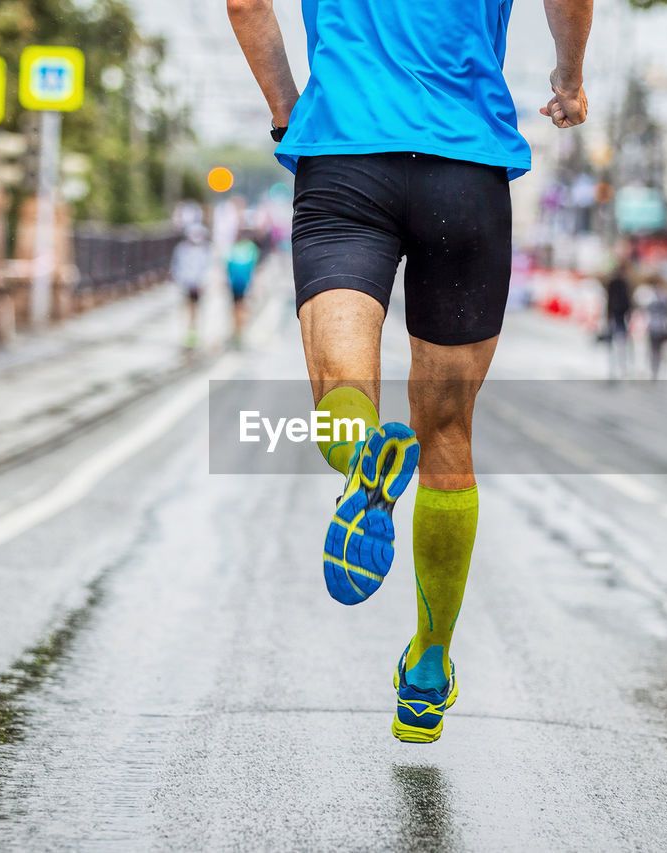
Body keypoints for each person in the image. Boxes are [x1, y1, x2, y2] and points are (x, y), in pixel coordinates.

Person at [229, 0, 592, 743]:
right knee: (448, 433)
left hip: (344, 161)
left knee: (342, 391)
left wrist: (287, 111)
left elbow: (244, 3)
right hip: (467, 165)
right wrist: (569, 78)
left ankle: (365, 457)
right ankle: (429, 664)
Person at [170, 226, 211, 349]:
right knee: (187, 309)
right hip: (186, 284)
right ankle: (188, 333)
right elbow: (177, 266)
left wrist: (202, 283)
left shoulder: (205, 249)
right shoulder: (182, 249)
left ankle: (192, 333)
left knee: (194, 309)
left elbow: (207, 268)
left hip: (197, 285)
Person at [225, 232, 261, 346]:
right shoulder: (252, 249)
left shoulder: (233, 248)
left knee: (235, 308)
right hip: (245, 284)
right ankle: (239, 332)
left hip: (233, 283)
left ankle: (236, 331)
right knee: (242, 307)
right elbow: (254, 268)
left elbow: (227, 265)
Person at [601, 261, 632, 380]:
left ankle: (616, 369)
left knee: (618, 344)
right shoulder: (620, 283)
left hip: (617, 316)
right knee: (619, 343)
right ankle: (616, 369)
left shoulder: (617, 283)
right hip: (617, 316)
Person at [643, 276, 667, 381]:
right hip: (659, 327)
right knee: (658, 351)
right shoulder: (662, 297)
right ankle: (657, 372)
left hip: (656, 328)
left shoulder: (652, 297)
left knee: (656, 351)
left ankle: (656, 372)